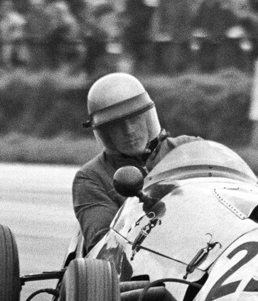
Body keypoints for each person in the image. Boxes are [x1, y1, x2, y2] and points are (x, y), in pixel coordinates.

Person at [74, 73, 199, 251]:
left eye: (134, 119)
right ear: (105, 133)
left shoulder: (188, 148)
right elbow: (103, 249)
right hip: (145, 263)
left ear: (147, 117)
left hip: (206, 244)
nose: (129, 131)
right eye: (117, 125)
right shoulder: (91, 177)